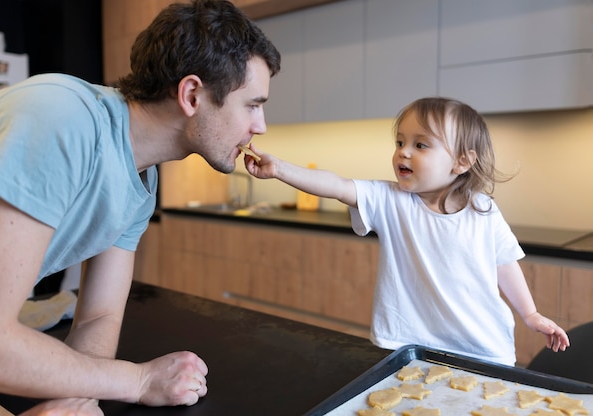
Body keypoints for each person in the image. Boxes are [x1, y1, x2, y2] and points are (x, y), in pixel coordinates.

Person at [0, 0, 280, 414]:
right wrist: (138, 380)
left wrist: (74, 401)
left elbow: (97, 317)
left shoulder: (141, 180)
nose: (260, 126)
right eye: (253, 105)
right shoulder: (59, 119)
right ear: (191, 94)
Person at [243, 97, 569, 366]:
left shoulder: (482, 210)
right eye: (400, 142)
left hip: (483, 350)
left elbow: (504, 263)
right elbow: (338, 186)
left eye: (420, 144)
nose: (404, 151)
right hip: (406, 347)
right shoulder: (391, 200)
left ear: (461, 162)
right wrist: (280, 169)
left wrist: (531, 313)